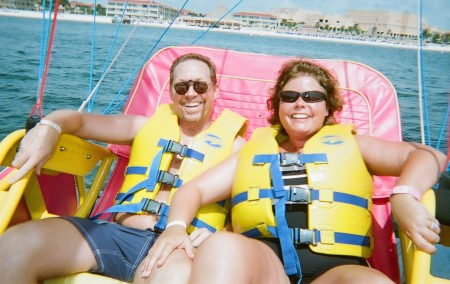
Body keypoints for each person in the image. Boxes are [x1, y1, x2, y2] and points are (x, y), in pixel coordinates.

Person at [141, 59, 447, 284]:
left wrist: (404, 196)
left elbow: (427, 157)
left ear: (328, 108)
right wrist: (176, 226)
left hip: (335, 274)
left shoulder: (355, 145)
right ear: (278, 106)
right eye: (290, 97)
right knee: (220, 244)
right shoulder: (253, 152)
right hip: (266, 269)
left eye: (312, 97)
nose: (300, 103)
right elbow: (193, 189)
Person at [0, 53, 247, 284]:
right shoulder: (141, 127)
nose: (191, 94)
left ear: (215, 89)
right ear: (171, 93)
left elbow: (248, 207)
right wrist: (49, 127)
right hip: (116, 235)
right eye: (181, 87)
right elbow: (80, 121)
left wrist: (223, 234)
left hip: (178, 251)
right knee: (14, 246)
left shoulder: (237, 148)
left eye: (200, 86)